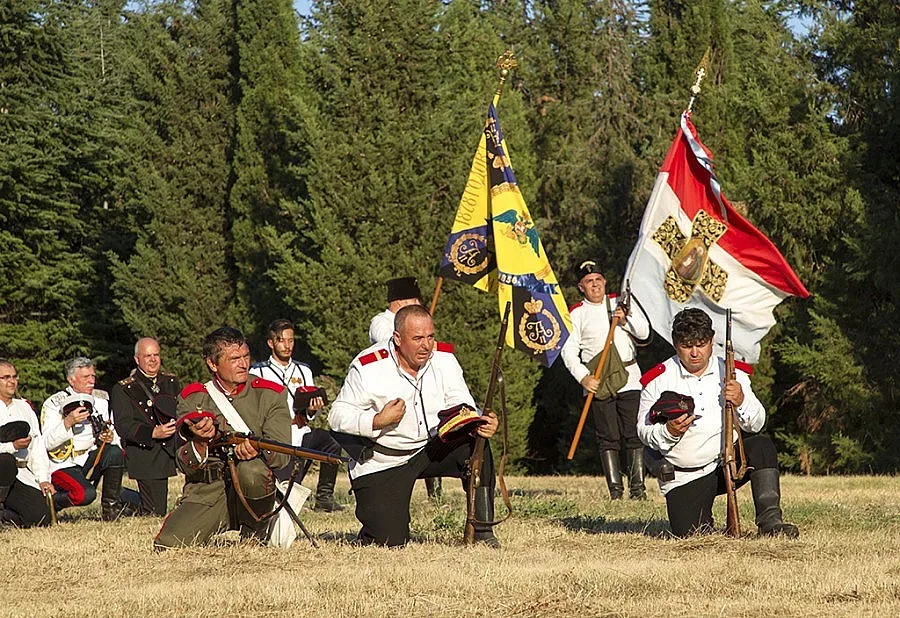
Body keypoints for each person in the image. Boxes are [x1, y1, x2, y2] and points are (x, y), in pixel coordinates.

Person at [330, 304, 500, 547]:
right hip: (384, 460)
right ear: (397, 338)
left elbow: (461, 402)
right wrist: (376, 421)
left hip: (430, 448)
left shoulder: (444, 359)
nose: (426, 345)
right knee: (389, 542)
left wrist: (480, 421)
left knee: (478, 444)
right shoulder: (368, 366)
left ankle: (482, 531)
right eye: (418, 338)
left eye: (430, 337)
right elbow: (336, 415)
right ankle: (376, 529)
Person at [637, 308, 799, 538]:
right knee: (693, 534)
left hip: (729, 465)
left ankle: (771, 523)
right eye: (687, 345)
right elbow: (643, 432)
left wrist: (741, 401)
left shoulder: (732, 371)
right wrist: (668, 431)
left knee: (761, 446)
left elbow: (757, 424)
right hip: (686, 475)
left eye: (701, 344)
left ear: (712, 341)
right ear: (675, 344)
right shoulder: (657, 379)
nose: (695, 353)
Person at [154, 326, 292, 549]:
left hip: (253, 490)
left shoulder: (270, 395)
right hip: (209, 490)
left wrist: (258, 451)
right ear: (212, 363)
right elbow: (184, 464)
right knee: (169, 543)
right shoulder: (193, 398)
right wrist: (200, 442)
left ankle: (254, 534)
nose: (244, 364)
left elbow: (282, 456)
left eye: (246, 356)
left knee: (252, 471)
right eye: (234, 359)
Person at [561, 259, 650, 499]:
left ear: (605, 281)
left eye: (598, 279)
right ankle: (616, 492)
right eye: (589, 281)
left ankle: (638, 490)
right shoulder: (576, 314)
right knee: (608, 437)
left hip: (630, 378)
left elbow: (644, 333)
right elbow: (568, 351)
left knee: (634, 433)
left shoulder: (621, 303)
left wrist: (625, 320)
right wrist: (583, 378)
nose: (595, 285)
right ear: (581, 287)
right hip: (597, 381)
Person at [250, 319, 344, 512]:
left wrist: (312, 409)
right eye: (281, 340)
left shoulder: (303, 370)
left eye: (291, 340)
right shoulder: (258, 371)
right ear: (271, 343)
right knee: (287, 491)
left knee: (332, 442)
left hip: (301, 430)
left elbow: (308, 406)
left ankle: (324, 497)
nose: (287, 345)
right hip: (275, 436)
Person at [369, 277, 442, 500]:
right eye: (414, 301)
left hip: (415, 380)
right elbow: (390, 342)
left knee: (430, 427)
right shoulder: (381, 322)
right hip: (391, 388)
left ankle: (435, 492)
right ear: (400, 302)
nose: (419, 305)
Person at [41, 357, 138, 520]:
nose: (91, 381)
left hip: (90, 457)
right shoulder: (54, 403)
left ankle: (111, 510)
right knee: (85, 495)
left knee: (114, 452)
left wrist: (108, 437)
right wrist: (67, 423)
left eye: (93, 376)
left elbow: (113, 432)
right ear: (71, 380)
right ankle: (51, 504)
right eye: (86, 377)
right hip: (64, 463)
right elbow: (46, 443)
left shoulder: (101, 401)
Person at [110, 337, 180, 516]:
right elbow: (123, 425)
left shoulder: (171, 382)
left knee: (163, 508)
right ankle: (123, 497)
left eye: (156, 355)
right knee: (155, 512)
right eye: (148, 356)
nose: (153, 360)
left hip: (171, 450)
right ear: (137, 359)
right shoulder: (124, 389)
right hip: (145, 453)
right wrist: (153, 433)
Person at [0, 359, 52, 528]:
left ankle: (4, 517)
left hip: (20, 475)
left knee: (41, 517)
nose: (12, 381)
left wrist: (43, 479)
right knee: (6, 460)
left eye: (14, 377)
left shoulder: (24, 408)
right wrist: (12, 447)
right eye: (5, 377)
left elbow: (37, 447)